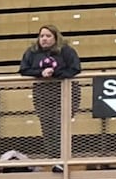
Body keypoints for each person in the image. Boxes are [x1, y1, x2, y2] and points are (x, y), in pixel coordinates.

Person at [17, 25, 82, 163]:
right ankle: (53, 157)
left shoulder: (66, 51)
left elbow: (75, 69)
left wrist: (55, 74)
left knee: (60, 125)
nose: (44, 39)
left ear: (55, 37)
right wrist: (40, 73)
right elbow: (24, 69)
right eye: (42, 36)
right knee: (47, 126)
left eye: (48, 36)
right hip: (43, 94)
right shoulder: (32, 52)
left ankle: (63, 158)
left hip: (64, 93)